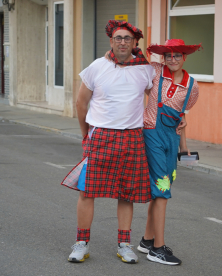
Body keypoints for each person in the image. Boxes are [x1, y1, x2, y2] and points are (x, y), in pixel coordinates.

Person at [61, 20, 154, 264]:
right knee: (87, 191)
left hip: (132, 136)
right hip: (101, 135)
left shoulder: (145, 69)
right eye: (118, 38)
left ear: (135, 43)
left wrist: (179, 119)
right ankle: (81, 243)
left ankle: (124, 244)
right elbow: (81, 103)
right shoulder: (97, 67)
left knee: (127, 193)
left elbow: (157, 99)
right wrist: (86, 133)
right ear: (111, 41)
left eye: (127, 38)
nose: (122, 41)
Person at [136, 39, 201, 265]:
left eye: (177, 55)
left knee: (166, 183)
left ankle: (146, 241)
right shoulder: (154, 71)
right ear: (163, 57)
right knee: (162, 186)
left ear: (185, 57)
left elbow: (182, 116)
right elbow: (134, 72)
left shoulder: (192, 86)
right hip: (151, 133)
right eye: (168, 55)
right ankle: (157, 249)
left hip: (171, 139)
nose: (172, 59)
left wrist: (184, 146)